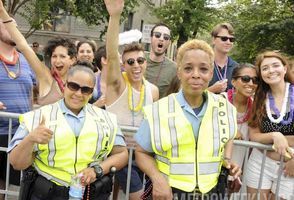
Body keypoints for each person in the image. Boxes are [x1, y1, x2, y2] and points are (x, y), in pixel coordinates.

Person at [135, 39, 241, 199]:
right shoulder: (158, 110)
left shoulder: (226, 109)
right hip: (169, 192)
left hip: (212, 192)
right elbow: (141, 152)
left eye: (203, 69)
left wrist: (228, 164)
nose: (196, 75)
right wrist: (157, 179)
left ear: (211, 73)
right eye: (188, 68)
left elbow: (217, 150)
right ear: (179, 72)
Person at [8, 64, 128, 200]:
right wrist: (30, 139)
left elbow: (122, 154)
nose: (78, 93)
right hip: (47, 193)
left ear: (91, 92)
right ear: (64, 85)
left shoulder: (107, 119)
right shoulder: (37, 116)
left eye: (85, 89)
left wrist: (97, 170)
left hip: (90, 192)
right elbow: (16, 163)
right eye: (73, 86)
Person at [104, 0, 158, 199]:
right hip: (117, 153)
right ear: (123, 65)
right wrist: (115, 16)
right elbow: (111, 56)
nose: (136, 65)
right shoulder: (117, 85)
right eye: (130, 62)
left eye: (141, 60)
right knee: (138, 196)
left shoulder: (152, 90)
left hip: (142, 155)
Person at [0, 3, 76, 106]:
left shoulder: (78, 82)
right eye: (54, 56)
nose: (57, 61)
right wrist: (2, 12)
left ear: (72, 60)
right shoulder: (45, 75)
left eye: (62, 56)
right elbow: (24, 46)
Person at [246, 51, 294, 200]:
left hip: (289, 166)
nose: (271, 71)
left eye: (275, 65)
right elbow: (254, 135)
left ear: (285, 69)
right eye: (265, 68)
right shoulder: (259, 98)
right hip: (260, 162)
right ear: (261, 74)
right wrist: (275, 136)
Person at [0, 18, 36, 198]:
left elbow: (32, 95)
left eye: (14, 25)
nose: (12, 28)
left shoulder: (25, 59)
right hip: (0, 133)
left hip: (21, 135)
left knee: (19, 188)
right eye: (6, 24)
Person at [223, 63, 258, 167]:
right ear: (233, 82)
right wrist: (232, 129)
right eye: (245, 79)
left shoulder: (257, 107)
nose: (251, 83)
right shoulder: (220, 100)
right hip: (216, 163)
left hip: (239, 166)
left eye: (255, 80)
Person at [144, 23, 177, 98]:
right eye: (157, 35)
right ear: (151, 38)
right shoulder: (138, 59)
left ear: (169, 42)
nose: (161, 39)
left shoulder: (174, 69)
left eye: (166, 37)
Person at [208, 22, 238, 94]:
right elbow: (190, 95)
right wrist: (211, 90)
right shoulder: (202, 65)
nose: (228, 42)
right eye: (224, 38)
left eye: (231, 39)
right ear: (213, 40)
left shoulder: (237, 68)